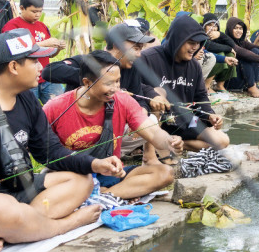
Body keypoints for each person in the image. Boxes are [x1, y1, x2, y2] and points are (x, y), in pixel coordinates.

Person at [0, 30, 120, 251]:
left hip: (16, 186)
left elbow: (49, 152)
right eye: (34, 61)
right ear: (14, 67)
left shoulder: (27, 99)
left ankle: (13, 228)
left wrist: (94, 164)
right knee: (3, 209)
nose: (40, 67)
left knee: (82, 180)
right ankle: (61, 225)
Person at [44, 50, 177, 202]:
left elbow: (151, 131)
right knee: (49, 184)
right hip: (72, 178)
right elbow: (44, 151)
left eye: (118, 81)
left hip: (110, 173)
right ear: (87, 83)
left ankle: (104, 195)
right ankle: (117, 193)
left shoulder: (122, 100)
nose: (115, 88)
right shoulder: (55, 107)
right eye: (108, 83)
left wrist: (168, 140)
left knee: (165, 173)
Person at [138, 15, 231, 152]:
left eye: (198, 43)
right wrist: (153, 95)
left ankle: (180, 144)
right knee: (158, 92)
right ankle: (159, 144)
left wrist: (210, 115)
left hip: (186, 120)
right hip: (159, 121)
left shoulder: (194, 66)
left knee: (222, 141)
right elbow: (133, 86)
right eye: (191, 42)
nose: (195, 47)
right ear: (177, 40)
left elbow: (201, 97)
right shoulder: (148, 58)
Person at [1, 0, 66, 103]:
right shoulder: (12, 26)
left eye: (40, 11)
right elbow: (13, 49)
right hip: (25, 80)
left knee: (61, 106)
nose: (37, 15)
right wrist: (44, 43)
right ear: (22, 8)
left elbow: (49, 54)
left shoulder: (42, 26)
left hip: (46, 77)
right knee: (29, 112)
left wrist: (57, 48)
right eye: (34, 11)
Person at [224, 17, 259, 98]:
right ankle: (252, 87)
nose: (239, 31)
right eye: (235, 28)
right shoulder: (226, 41)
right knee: (245, 57)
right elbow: (242, 52)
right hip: (231, 80)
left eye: (241, 28)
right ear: (229, 29)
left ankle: (254, 85)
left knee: (255, 50)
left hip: (243, 79)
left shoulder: (241, 42)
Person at [200, 14, 239, 94]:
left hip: (214, 65)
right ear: (204, 27)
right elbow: (210, 46)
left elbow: (232, 44)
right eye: (209, 25)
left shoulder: (217, 35)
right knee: (221, 54)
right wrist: (228, 48)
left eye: (215, 26)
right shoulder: (201, 36)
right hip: (202, 65)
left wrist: (220, 34)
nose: (213, 28)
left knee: (230, 55)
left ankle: (220, 85)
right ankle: (206, 86)